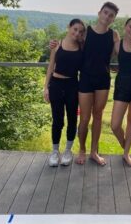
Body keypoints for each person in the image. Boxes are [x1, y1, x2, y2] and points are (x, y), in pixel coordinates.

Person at [50, 2, 120, 166]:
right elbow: (69, 42)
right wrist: (54, 45)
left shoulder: (114, 35)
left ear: (113, 19)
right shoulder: (86, 33)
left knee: (98, 116)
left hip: (103, 79)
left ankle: (94, 152)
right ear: (99, 13)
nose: (107, 17)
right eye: (105, 13)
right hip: (86, 79)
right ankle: (81, 149)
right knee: (85, 118)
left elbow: (122, 52)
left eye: (111, 15)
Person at [44, 19, 85, 167]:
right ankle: (55, 151)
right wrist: (46, 87)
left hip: (73, 85)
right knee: (57, 120)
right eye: (75, 29)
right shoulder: (57, 45)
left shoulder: (82, 47)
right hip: (56, 84)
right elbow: (50, 67)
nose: (77, 33)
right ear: (69, 27)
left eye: (80, 31)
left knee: (72, 119)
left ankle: (68, 150)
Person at [110, 17, 131, 166]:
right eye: (130, 27)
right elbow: (104, 58)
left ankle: (126, 154)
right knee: (115, 125)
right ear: (125, 27)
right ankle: (125, 144)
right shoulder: (117, 44)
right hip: (122, 84)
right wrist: (112, 67)